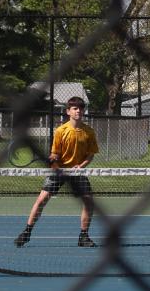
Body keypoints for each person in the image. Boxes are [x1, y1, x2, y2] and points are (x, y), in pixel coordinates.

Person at [15, 96, 98, 249]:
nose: (78, 110)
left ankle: (83, 237)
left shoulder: (89, 132)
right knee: (41, 200)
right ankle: (26, 232)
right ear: (68, 111)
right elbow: (55, 154)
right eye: (75, 108)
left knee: (88, 202)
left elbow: (91, 154)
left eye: (80, 107)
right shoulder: (61, 131)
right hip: (59, 171)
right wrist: (54, 161)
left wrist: (81, 166)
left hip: (77, 172)